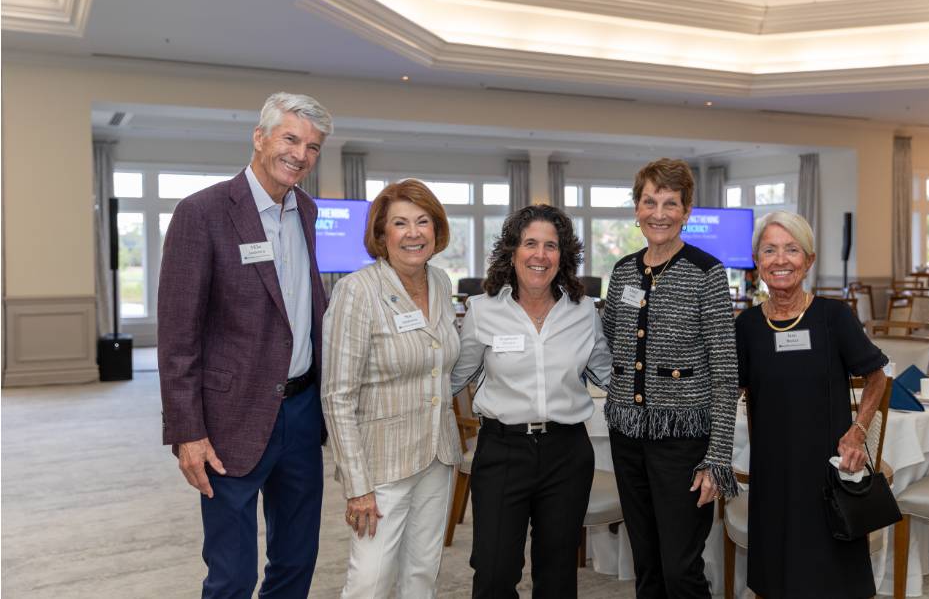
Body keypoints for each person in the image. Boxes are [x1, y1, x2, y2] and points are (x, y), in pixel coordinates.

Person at [158, 92, 332, 598]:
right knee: (232, 574)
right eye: (290, 139)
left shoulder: (307, 210)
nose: (300, 155)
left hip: (302, 412)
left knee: (296, 560)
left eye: (313, 147)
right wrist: (187, 432)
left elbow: (302, 307)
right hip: (229, 418)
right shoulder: (202, 213)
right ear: (259, 137)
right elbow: (177, 338)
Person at [452, 204, 612, 599]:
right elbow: (456, 377)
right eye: (530, 244)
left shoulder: (583, 312)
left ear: (563, 255)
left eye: (551, 246)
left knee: (557, 575)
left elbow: (609, 375)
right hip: (502, 450)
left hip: (566, 452)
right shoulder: (483, 310)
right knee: (493, 571)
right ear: (512, 251)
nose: (540, 255)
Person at [602, 158, 739, 598]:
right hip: (627, 436)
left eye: (670, 203)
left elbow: (725, 372)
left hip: (682, 443)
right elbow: (609, 343)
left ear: (686, 211)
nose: (658, 213)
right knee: (646, 562)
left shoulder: (707, 273)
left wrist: (717, 458)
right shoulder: (623, 271)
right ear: (636, 208)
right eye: (649, 202)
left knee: (680, 567)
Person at [321, 179, 462, 599]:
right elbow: (337, 397)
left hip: (437, 454)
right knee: (370, 581)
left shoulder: (440, 282)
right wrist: (357, 485)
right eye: (400, 223)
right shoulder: (357, 291)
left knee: (422, 574)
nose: (413, 233)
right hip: (380, 464)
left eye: (423, 221)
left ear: (436, 229)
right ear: (382, 234)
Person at [735, 211, 887, 598]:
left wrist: (857, 432)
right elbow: (730, 391)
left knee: (831, 580)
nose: (780, 260)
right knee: (776, 577)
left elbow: (876, 376)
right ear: (756, 261)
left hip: (827, 470)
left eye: (792, 249)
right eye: (769, 250)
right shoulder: (747, 326)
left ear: (809, 260)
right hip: (772, 472)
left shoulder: (833, 317)